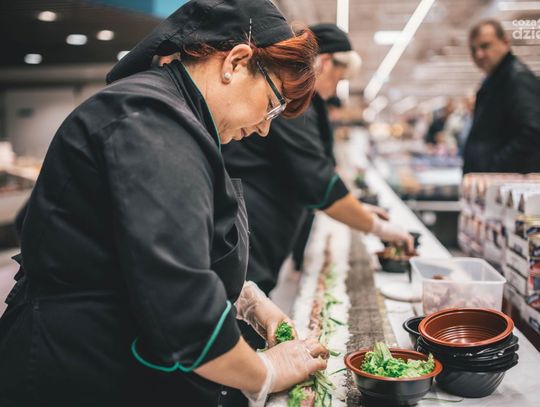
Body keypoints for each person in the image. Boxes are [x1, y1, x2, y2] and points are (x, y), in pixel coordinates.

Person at [0, 1, 329, 406]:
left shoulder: (179, 119)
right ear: (236, 62)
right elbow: (184, 310)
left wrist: (244, 297)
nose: (264, 128)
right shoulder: (151, 120)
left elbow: (146, 245)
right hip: (72, 366)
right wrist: (266, 371)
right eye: (273, 104)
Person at [223, 23, 412, 299]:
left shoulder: (304, 103)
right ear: (324, 62)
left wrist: (359, 210)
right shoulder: (294, 104)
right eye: (338, 78)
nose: (335, 90)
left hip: (262, 220)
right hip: (253, 223)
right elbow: (318, 180)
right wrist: (379, 228)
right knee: (244, 302)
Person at [463, 19, 540, 174]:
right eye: (473, 50)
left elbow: (534, 130)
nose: (479, 54)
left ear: (505, 42)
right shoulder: (496, 80)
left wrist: (496, 167)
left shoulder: (517, 78)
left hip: (506, 182)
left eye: (485, 46)